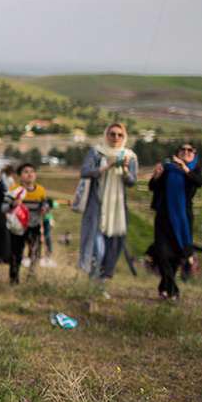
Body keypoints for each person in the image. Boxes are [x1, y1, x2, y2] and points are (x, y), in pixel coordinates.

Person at [78, 123, 138, 288]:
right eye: (112, 134)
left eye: (120, 135)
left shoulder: (130, 156)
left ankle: (100, 283)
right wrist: (106, 167)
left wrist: (124, 169)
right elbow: (84, 171)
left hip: (117, 210)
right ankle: (93, 281)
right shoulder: (97, 152)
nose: (116, 138)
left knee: (112, 247)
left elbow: (132, 182)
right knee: (98, 248)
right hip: (97, 206)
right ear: (106, 135)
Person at [146, 143, 202, 301]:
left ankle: (165, 289)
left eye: (190, 150)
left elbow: (199, 182)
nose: (186, 152)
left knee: (176, 256)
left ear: (194, 154)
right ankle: (174, 290)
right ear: (177, 153)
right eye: (182, 149)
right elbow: (152, 187)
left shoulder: (194, 169)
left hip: (183, 219)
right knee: (162, 254)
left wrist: (184, 168)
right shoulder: (168, 168)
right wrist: (156, 176)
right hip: (163, 217)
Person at [7, 163, 47, 284]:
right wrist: (13, 204)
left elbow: (45, 204)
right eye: (26, 172)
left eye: (32, 171)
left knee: (35, 252)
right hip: (18, 228)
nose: (30, 174)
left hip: (34, 226)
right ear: (20, 176)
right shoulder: (14, 190)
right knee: (16, 253)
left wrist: (44, 208)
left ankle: (31, 276)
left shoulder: (40, 190)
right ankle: (14, 279)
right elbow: (4, 207)